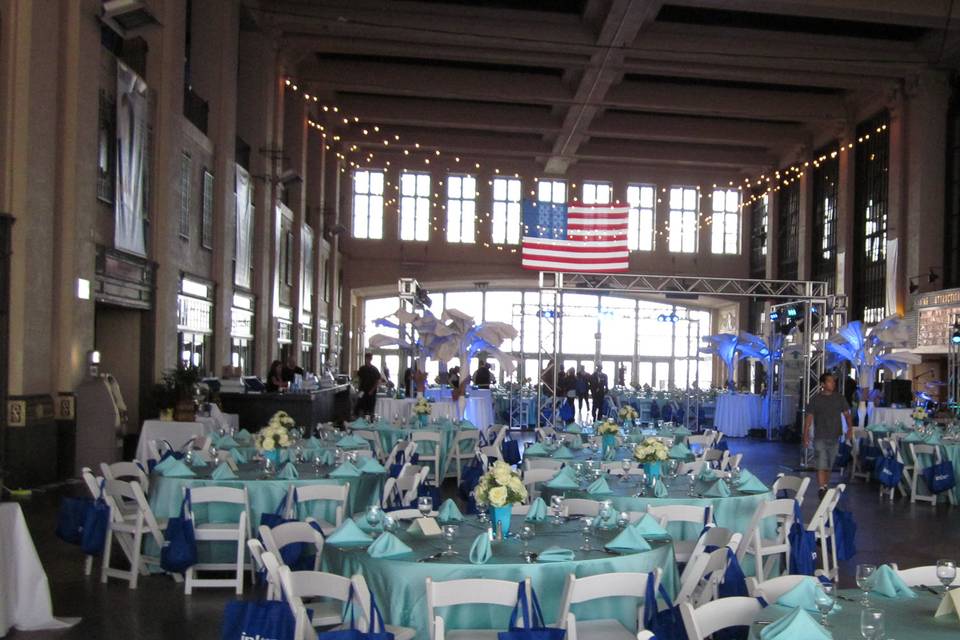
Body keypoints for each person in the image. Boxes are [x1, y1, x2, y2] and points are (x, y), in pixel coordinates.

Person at [803, 372, 853, 500]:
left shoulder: (840, 398)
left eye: (834, 381)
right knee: (821, 462)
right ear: (823, 384)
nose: (833, 383)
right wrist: (806, 434)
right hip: (820, 436)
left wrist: (849, 429)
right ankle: (822, 488)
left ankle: (825, 485)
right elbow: (808, 418)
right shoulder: (816, 400)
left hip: (835, 435)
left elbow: (847, 414)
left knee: (829, 464)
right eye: (830, 381)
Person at [355, 353, 381, 418]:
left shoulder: (374, 369)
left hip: (371, 393)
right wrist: (358, 389)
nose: (367, 360)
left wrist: (372, 390)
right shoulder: (362, 369)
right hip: (362, 391)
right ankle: (361, 421)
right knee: (360, 407)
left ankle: (370, 422)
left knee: (370, 409)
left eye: (369, 358)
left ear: (371, 359)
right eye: (366, 358)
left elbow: (377, 381)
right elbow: (359, 379)